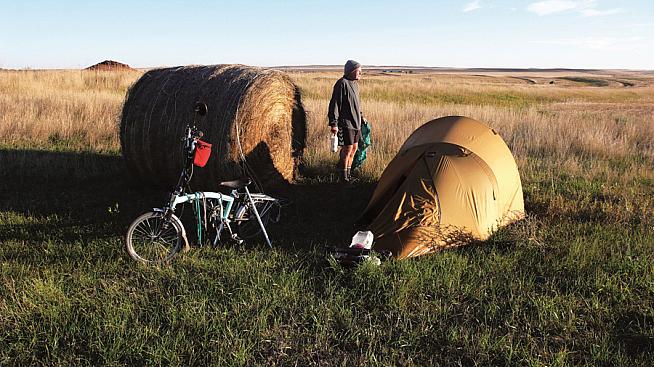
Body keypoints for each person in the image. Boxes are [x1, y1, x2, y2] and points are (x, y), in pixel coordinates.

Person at [328, 60, 363, 183]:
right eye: (359, 71)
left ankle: (348, 175)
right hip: (345, 123)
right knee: (347, 149)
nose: (361, 73)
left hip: (356, 123)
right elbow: (335, 104)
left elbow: (356, 105)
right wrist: (334, 123)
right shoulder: (341, 83)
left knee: (354, 148)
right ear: (351, 71)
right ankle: (343, 178)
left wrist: (362, 117)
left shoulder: (355, 85)